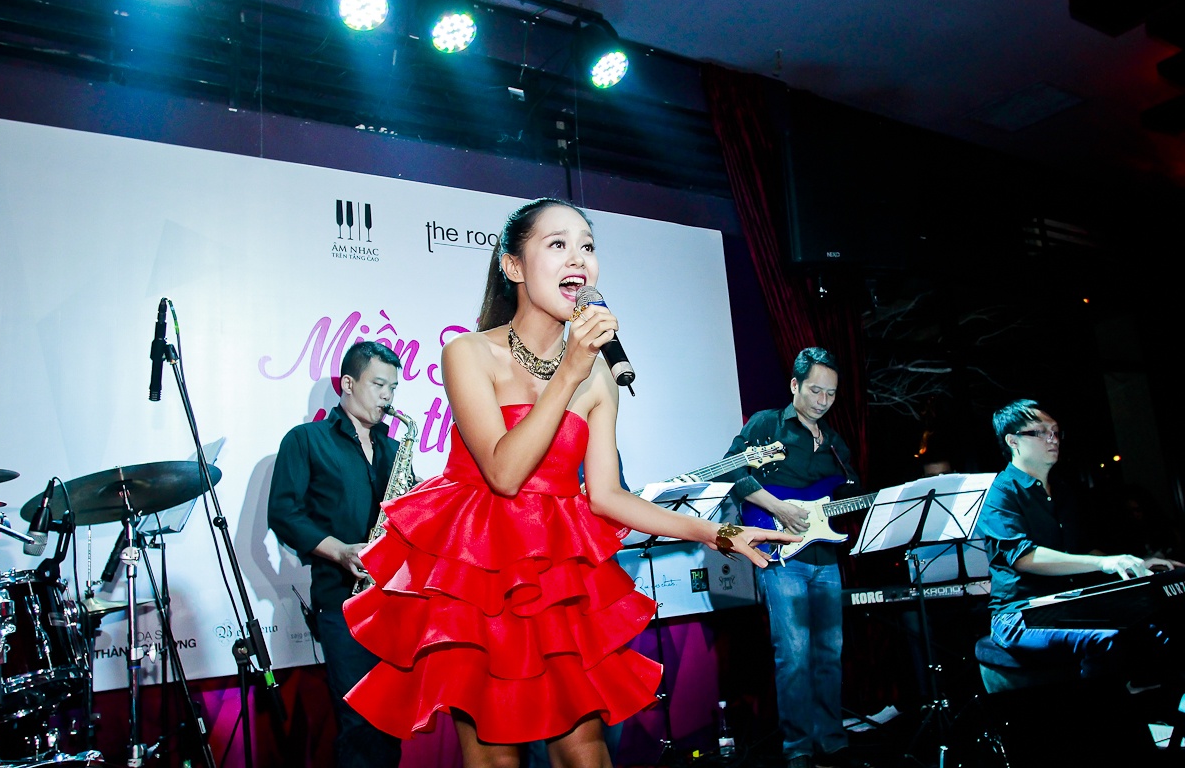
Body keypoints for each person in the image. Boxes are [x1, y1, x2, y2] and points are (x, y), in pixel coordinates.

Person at [341, 197, 794, 768]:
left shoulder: (599, 376)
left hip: (555, 579)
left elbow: (607, 495)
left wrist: (719, 533)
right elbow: (504, 473)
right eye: (557, 244)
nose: (578, 258)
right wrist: (570, 371)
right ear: (513, 266)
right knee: (496, 759)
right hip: (478, 576)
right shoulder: (469, 353)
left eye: (587, 246)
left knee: (587, 755)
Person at [718, 347, 868, 768]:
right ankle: (798, 747)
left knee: (829, 653)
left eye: (831, 394)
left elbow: (847, 492)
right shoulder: (768, 423)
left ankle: (831, 739)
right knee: (794, 654)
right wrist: (778, 508)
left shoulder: (835, 443)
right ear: (794, 386)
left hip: (825, 555)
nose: (823, 400)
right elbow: (730, 470)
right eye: (815, 390)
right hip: (780, 555)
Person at [266, 341, 405, 768]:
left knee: (391, 721)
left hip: (393, 602)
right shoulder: (306, 440)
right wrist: (341, 552)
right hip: (342, 601)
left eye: (393, 388)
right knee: (359, 723)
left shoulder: (393, 450)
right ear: (347, 383)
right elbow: (284, 513)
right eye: (378, 385)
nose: (387, 397)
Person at [975, 399, 1179, 679]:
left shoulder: (1062, 490)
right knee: (1105, 639)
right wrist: (1105, 563)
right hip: (1018, 614)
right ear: (1013, 441)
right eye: (1040, 432)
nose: (1053, 439)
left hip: (1066, 604)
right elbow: (1024, 557)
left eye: (1055, 432)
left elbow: (1080, 552)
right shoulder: (1000, 492)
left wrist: (1135, 563)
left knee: (1158, 628)